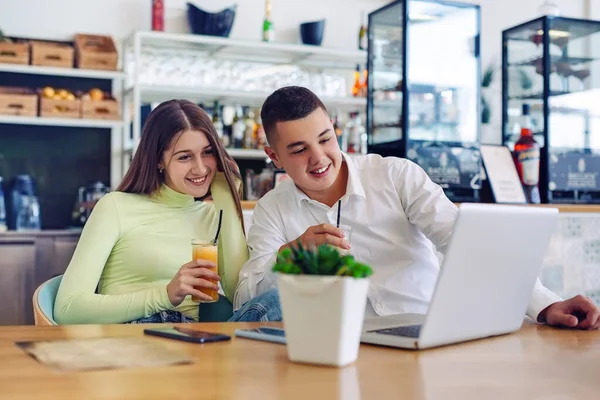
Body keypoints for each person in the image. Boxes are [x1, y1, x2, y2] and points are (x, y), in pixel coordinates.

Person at [236, 86, 600, 330]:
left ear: (335, 129)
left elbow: (466, 244)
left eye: (325, 139)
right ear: (274, 156)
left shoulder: (395, 175)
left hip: (422, 331)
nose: (319, 158)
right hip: (340, 345)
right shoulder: (272, 208)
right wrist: (290, 255)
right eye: (298, 149)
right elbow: (247, 300)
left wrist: (545, 305)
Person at [54, 100, 280, 324]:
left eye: (208, 153)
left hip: (190, 340)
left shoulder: (214, 217)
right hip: (130, 335)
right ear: (159, 160)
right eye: (184, 156)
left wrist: (229, 200)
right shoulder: (115, 207)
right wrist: (165, 295)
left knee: (278, 300)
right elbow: (68, 308)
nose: (201, 168)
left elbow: (239, 298)